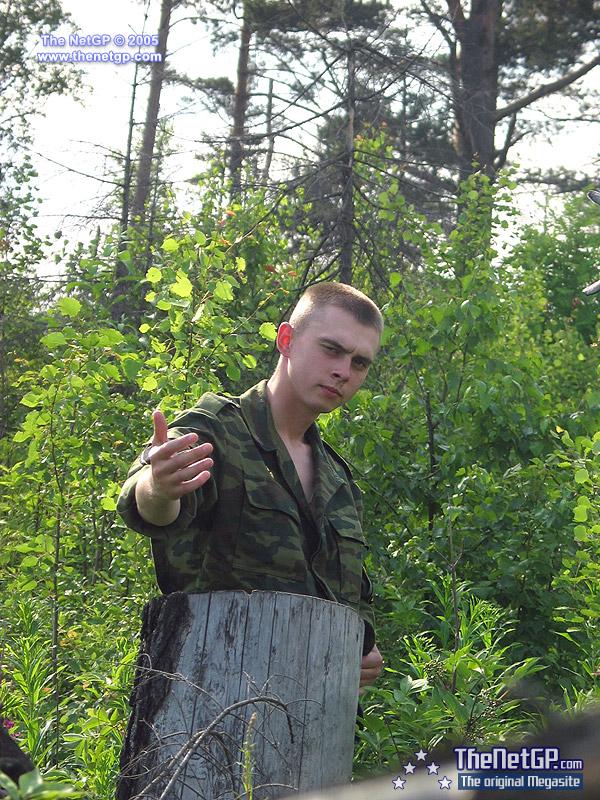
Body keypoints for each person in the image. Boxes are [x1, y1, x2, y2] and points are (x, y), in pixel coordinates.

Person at [117, 281, 384, 690]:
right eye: (331, 349)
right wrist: (159, 486)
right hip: (210, 697)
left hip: (314, 707)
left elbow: (351, 599)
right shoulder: (217, 430)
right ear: (286, 340)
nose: (343, 372)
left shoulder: (338, 481)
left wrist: (361, 649)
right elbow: (149, 505)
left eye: (359, 363)